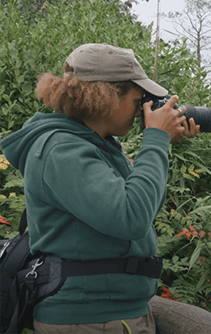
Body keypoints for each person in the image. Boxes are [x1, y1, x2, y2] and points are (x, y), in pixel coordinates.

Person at [0, 43, 200, 333]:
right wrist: (155, 140)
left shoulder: (93, 144)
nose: (141, 108)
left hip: (108, 314)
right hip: (90, 318)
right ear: (106, 95)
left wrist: (161, 145)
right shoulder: (61, 149)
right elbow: (132, 218)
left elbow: (143, 207)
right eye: (137, 98)